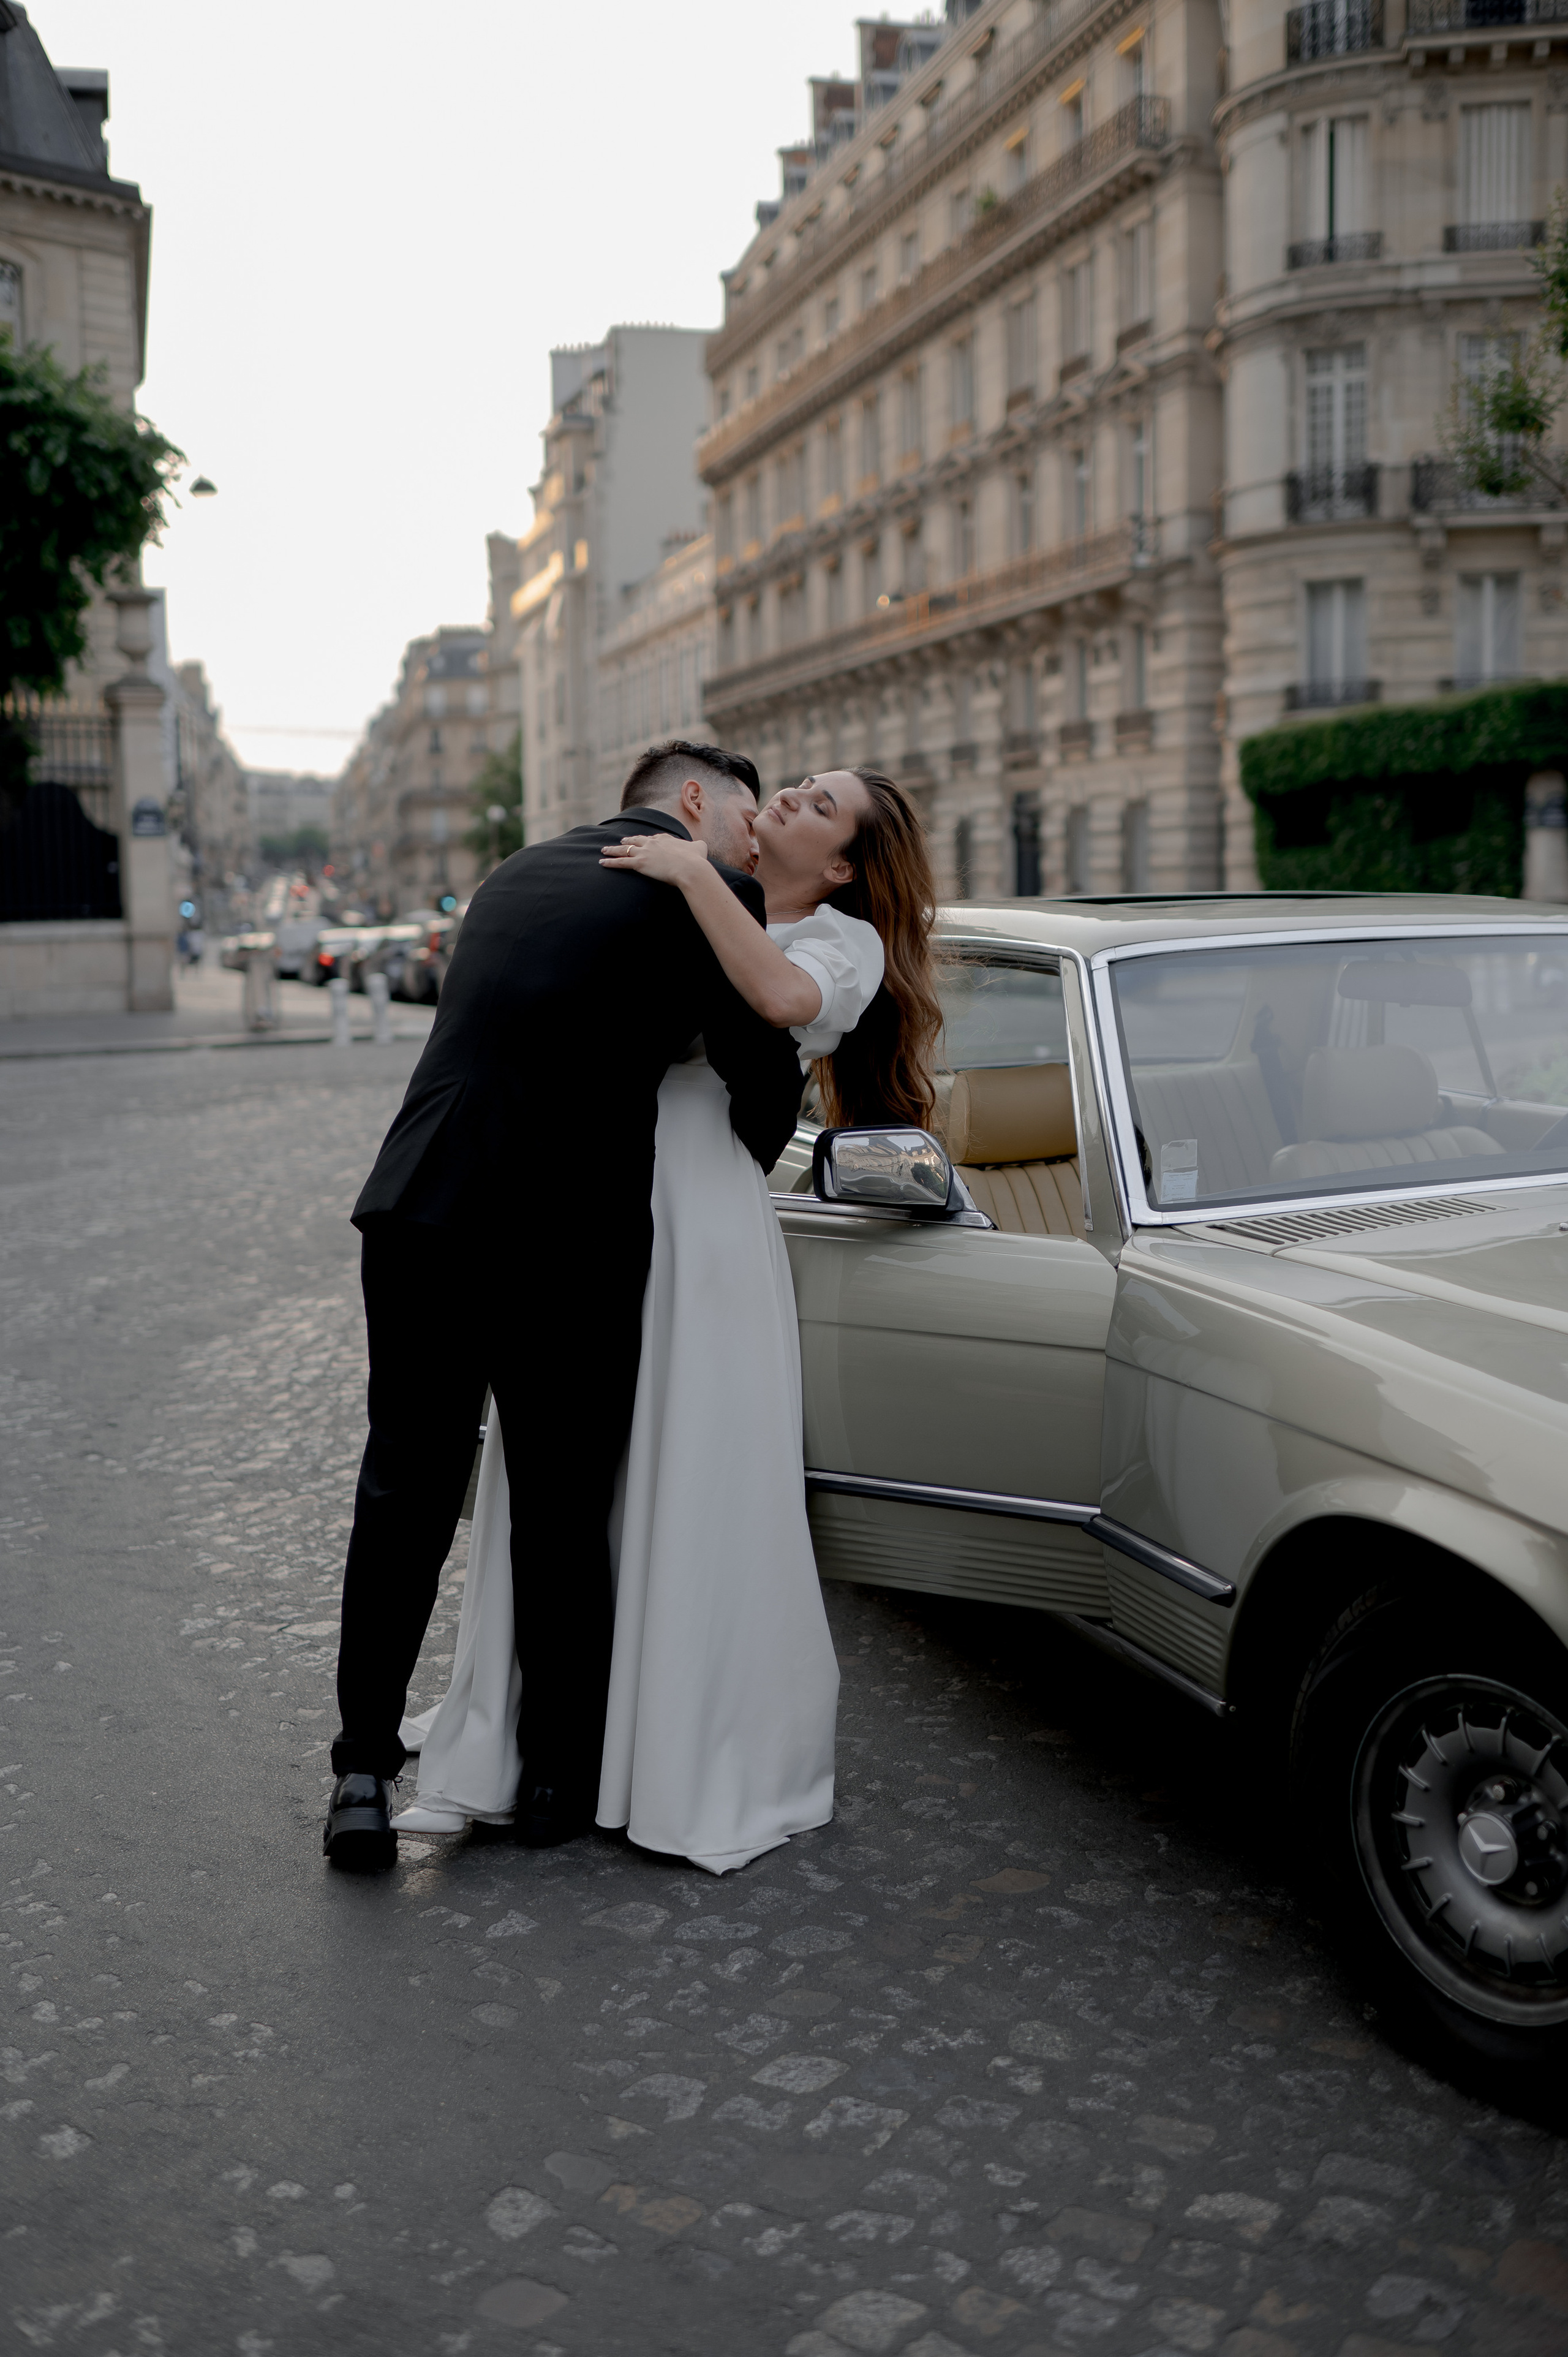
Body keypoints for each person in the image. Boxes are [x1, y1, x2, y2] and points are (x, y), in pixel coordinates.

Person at [396, 763, 941, 1872]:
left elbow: (780, 1005)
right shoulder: (667, 889)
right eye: (792, 785)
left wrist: (696, 872)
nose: (787, 797)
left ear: (842, 866)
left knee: (686, 1467)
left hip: (702, 1215)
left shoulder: (843, 943)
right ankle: (534, 1743)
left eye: (818, 805)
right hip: (589, 1187)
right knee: (553, 1475)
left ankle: (674, 1752)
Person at [322, 743, 804, 1868]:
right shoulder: (706, 886)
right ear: (693, 802)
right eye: (743, 819)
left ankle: (358, 1773)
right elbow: (761, 1082)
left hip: (419, 1205)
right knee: (558, 1498)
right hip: (561, 1238)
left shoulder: (513, 873)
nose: (752, 843)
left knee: (405, 1487)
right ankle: (552, 1782)